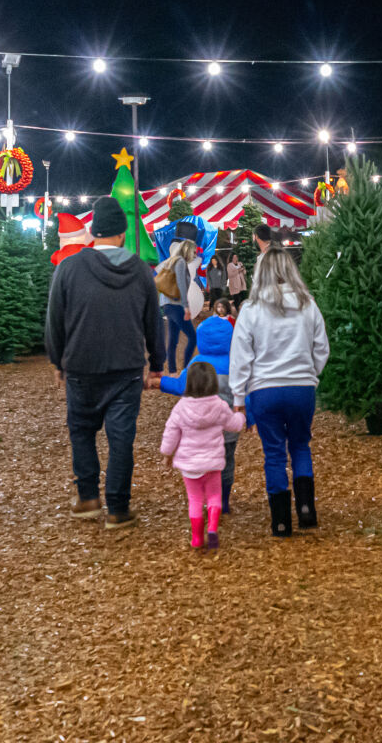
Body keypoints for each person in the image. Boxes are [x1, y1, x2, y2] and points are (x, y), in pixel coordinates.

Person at [45, 204, 166, 530]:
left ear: (92, 232)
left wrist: (57, 360)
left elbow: (55, 318)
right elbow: (154, 320)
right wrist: (157, 363)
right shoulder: (140, 270)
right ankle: (117, 508)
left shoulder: (69, 267)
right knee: (121, 438)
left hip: (81, 365)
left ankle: (87, 498)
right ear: (122, 233)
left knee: (82, 431)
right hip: (126, 367)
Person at [229, 247, 330, 538]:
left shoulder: (251, 309)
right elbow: (321, 348)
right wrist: (310, 374)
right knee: (300, 445)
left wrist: (238, 399)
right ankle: (307, 510)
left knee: (274, 453)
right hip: (301, 388)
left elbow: (241, 357)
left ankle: (281, 522)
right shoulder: (308, 304)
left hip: (265, 390)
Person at [159, 362, 246, 550]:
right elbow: (234, 425)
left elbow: (171, 432)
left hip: (190, 466)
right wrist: (241, 416)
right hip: (213, 463)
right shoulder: (219, 405)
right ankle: (212, 528)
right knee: (214, 496)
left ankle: (197, 538)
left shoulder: (181, 407)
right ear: (213, 383)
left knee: (195, 499)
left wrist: (166, 454)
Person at [193, 308, 242, 512]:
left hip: (204, 427)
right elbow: (244, 392)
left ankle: (208, 498)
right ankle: (224, 500)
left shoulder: (197, 364)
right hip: (228, 427)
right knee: (227, 461)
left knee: (206, 462)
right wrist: (251, 418)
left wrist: (160, 382)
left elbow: (180, 385)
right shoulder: (234, 364)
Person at [157, 235, 200, 375]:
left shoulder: (172, 261)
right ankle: (186, 369)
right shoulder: (180, 262)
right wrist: (186, 306)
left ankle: (172, 371)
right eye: (194, 251)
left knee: (173, 339)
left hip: (167, 305)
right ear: (188, 250)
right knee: (193, 337)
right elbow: (181, 284)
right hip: (176, 305)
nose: (195, 254)